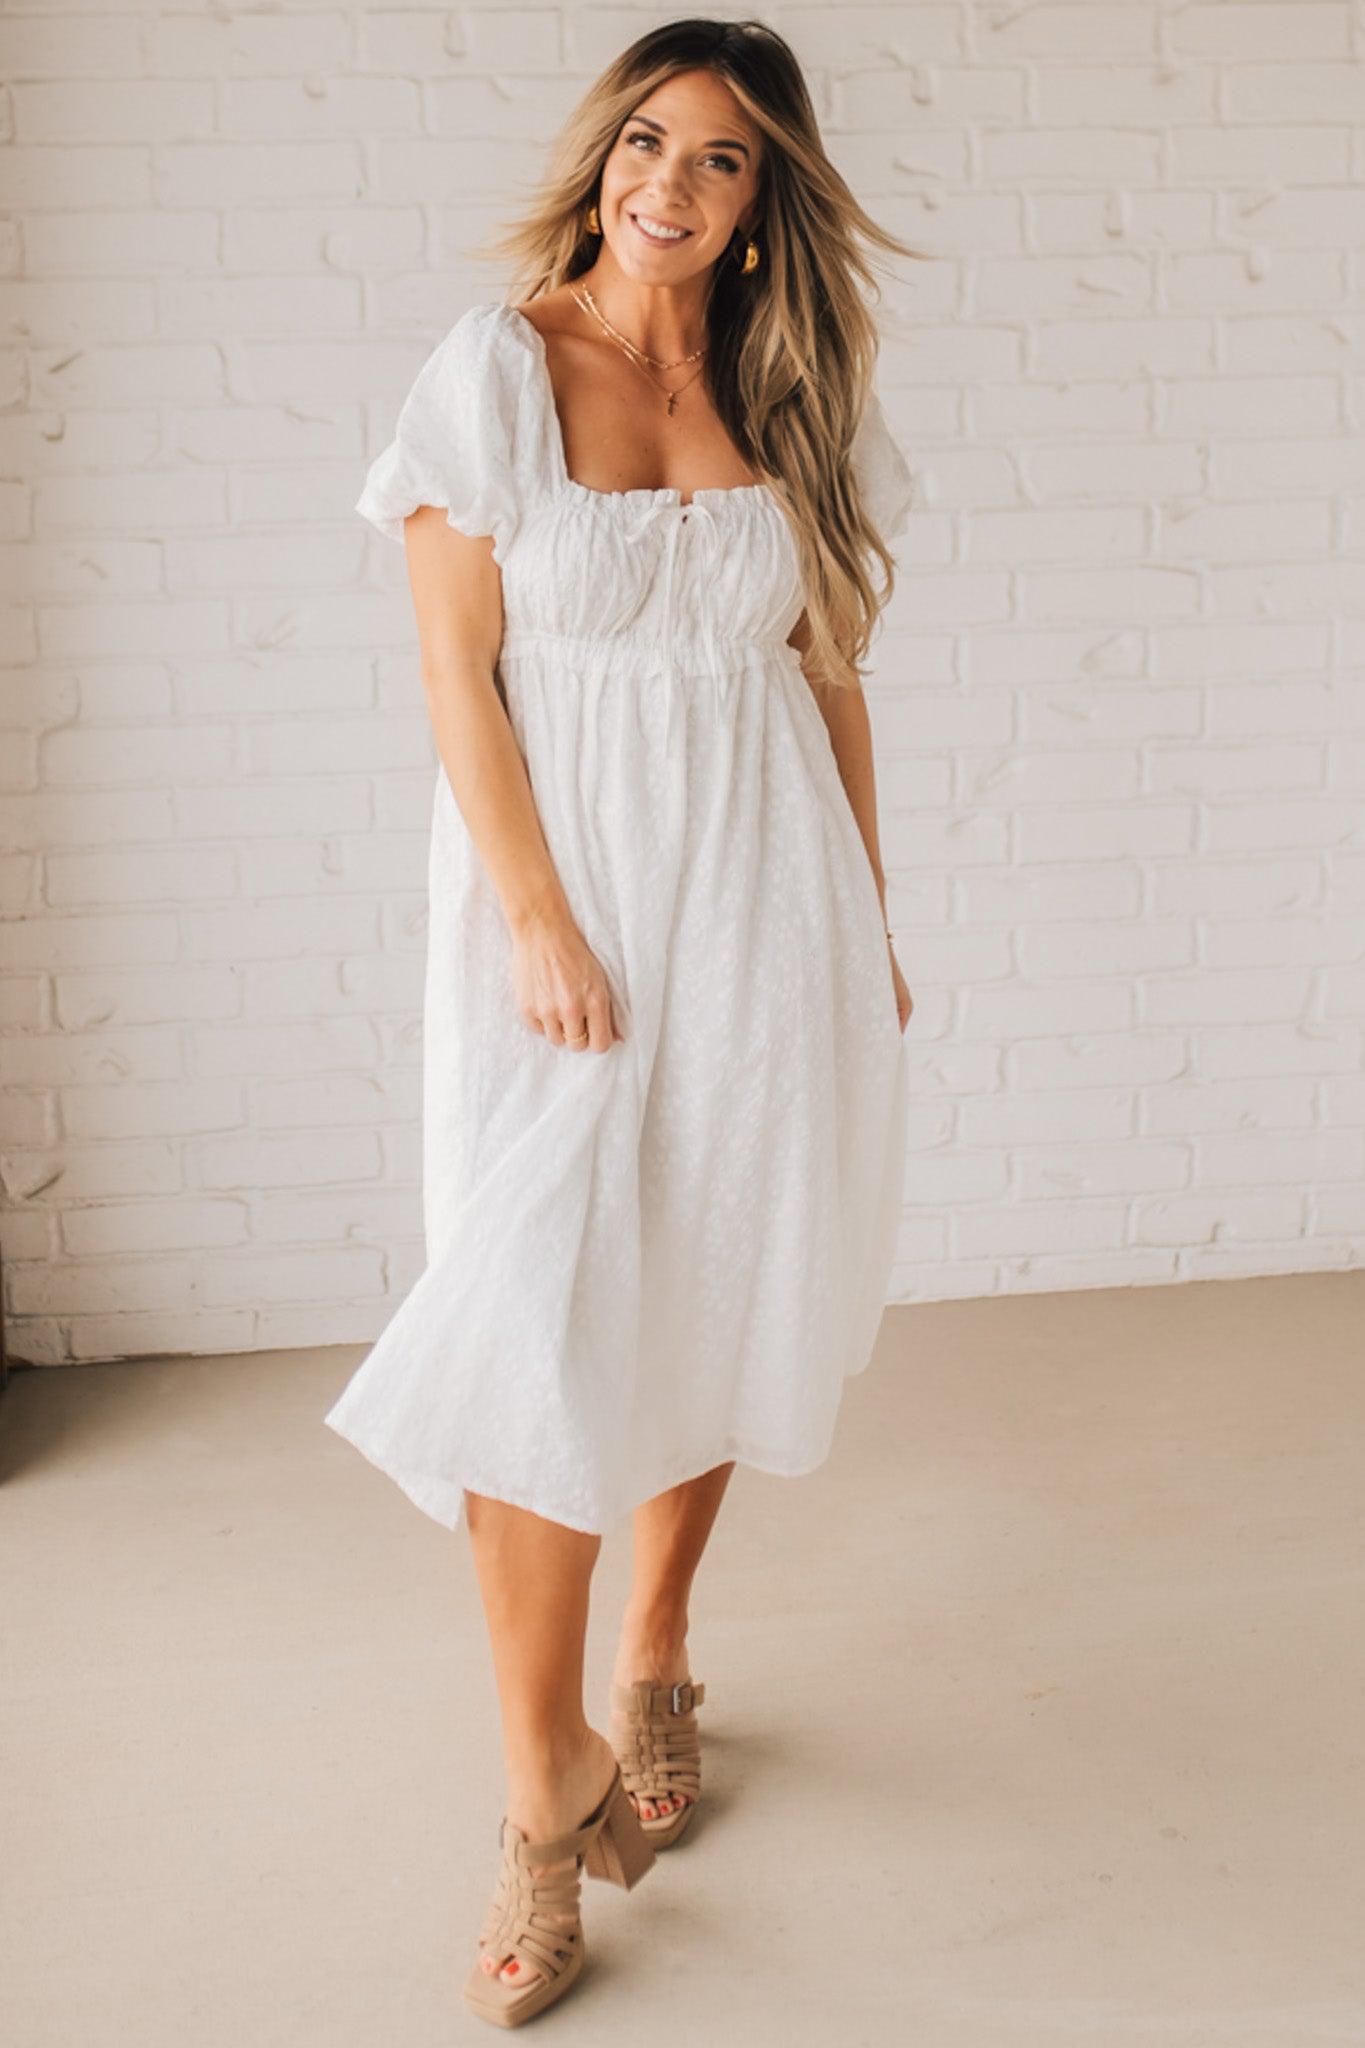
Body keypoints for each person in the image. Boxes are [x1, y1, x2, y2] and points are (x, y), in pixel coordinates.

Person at [324, 16, 916, 2027]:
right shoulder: (495, 371)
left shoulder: (787, 389)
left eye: (726, 160)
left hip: (764, 903)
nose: (673, 179)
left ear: (766, 204)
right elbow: (455, 677)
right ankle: (534, 1787)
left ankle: (656, 1647)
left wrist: (871, 911)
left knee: (716, 1268)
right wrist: (536, 918)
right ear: (601, 155)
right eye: (649, 139)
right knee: (534, 1320)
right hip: (559, 927)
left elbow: (826, 668)